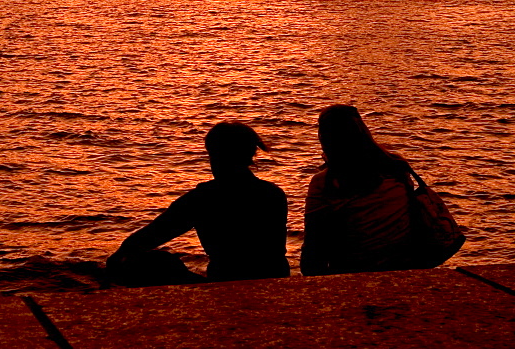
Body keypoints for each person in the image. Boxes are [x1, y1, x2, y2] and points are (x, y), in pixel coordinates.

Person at [107, 121, 290, 284]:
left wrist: (117, 259)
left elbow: (154, 233)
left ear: (216, 156)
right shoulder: (273, 193)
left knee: (157, 261)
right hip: (275, 280)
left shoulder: (204, 198)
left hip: (225, 282)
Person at [300, 104, 416, 275]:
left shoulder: (326, 182)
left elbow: (313, 249)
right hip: (404, 265)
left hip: (353, 271)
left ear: (325, 138)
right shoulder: (396, 166)